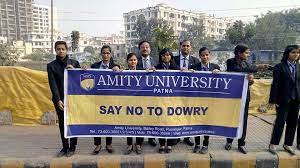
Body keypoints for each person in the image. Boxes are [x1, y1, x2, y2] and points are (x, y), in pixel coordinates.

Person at [225, 44, 268, 154]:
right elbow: (236, 71)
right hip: (233, 96)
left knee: (243, 120)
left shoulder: (247, 64)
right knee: (231, 119)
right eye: (246, 53)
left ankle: (241, 143)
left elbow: (250, 81)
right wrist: (257, 67)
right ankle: (229, 141)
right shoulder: (231, 62)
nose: (248, 55)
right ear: (239, 53)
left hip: (245, 96)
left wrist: (250, 80)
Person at [47, 41, 80, 157]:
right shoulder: (51, 66)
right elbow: (53, 84)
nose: (61, 51)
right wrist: (57, 99)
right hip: (60, 100)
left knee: (73, 122)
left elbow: (80, 80)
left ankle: (72, 147)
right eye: (58, 49)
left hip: (74, 99)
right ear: (55, 50)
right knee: (62, 123)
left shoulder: (75, 63)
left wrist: (74, 70)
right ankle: (65, 147)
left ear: (67, 50)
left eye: (63, 49)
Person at [268, 45, 300, 155]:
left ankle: (288, 144)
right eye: (293, 52)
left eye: (297, 53)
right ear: (287, 54)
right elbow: (275, 84)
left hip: (296, 100)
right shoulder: (280, 67)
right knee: (280, 123)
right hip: (283, 100)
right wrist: (273, 100)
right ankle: (273, 144)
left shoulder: (298, 67)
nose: (296, 54)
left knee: (292, 123)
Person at [90, 45, 120, 155]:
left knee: (109, 122)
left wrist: (118, 69)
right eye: (104, 53)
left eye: (108, 53)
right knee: (96, 121)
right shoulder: (94, 66)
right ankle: (97, 145)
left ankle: (108, 144)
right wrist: (83, 69)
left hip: (110, 100)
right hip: (97, 99)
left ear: (110, 54)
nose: (106, 55)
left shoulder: (115, 66)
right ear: (101, 54)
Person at [192, 47, 220, 154]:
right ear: (199, 56)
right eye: (203, 55)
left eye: (207, 55)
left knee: (207, 122)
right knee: (196, 122)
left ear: (210, 55)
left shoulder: (215, 67)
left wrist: (219, 74)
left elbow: (222, 83)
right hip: (197, 100)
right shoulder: (194, 67)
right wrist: (189, 74)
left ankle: (205, 144)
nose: (205, 57)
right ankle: (197, 144)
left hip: (210, 100)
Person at [174, 39, 199, 146]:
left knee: (188, 113)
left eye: (188, 46)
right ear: (180, 47)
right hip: (176, 92)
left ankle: (187, 136)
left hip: (190, 92)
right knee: (176, 113)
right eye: (184, 46)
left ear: (191, 47)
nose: (186, 48)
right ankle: (177, 136)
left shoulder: (196, 61)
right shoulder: (173, 59)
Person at [155, 48, 178, 153]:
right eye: (163, 55)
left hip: (172, 100)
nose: (166, 57)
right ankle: (161, 144)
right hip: (159, 100)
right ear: (161, 57)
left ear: (171, 57)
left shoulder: (176, 68)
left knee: (170, 122)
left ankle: (169, 144)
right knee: (161, 122)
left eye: (168, 55)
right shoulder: (156, 68)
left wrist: (188, 72)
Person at [136, 40, 157, 147]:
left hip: (153, 93)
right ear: (139, 49)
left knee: (152, 116)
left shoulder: (155, 60)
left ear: (150, 49)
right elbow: (132, 70)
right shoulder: (135, 60)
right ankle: (139, 140)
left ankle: (151, 138)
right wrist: (145, 70)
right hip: (139, 94)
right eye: (142, 47)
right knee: (140, 117)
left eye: (147, 47)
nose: (145, 49)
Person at [124, 52, 145, 155]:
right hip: (128, 102)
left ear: (137, 61)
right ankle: (129, 144)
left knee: (139, 123)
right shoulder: (123, 72)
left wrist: (153, 71)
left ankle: (138, 144)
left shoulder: (143, 72)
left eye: (135, 60)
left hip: (140, 102)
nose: (133, 62)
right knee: (129, 123)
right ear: (127, 62)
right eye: (131, 60)